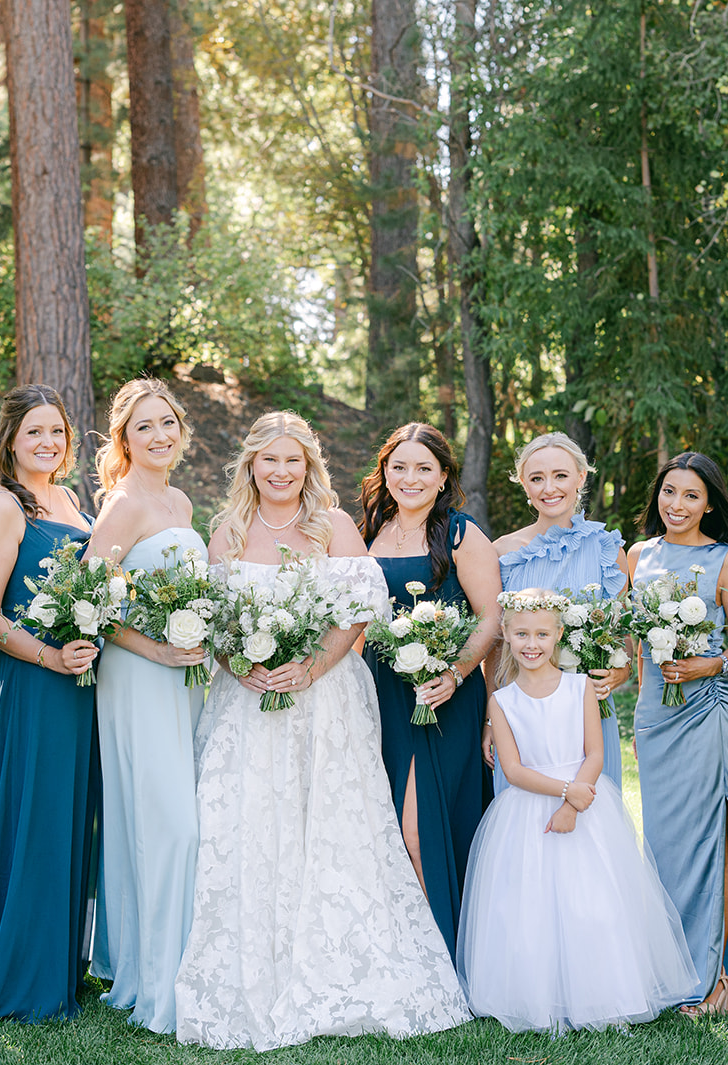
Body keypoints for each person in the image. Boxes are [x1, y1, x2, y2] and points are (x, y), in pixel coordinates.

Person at [172, 411, 471, 1051]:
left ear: (310, 467)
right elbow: (211, 619)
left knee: (330, 823)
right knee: (251, 825)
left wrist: (311, 667)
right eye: (269, 460)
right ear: (249, 464)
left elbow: (360, 612)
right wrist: (242, 663)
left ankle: (340, 966)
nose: (281, 472)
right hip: (246, 702)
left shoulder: (334, 526)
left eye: (294, 461)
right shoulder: (225, 531)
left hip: (324, 698)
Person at [456, 591, 698, 1032]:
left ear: (559, 635)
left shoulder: (579, 686)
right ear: (506, 636)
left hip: (586, 808)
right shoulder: (502, 702)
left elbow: (594, 752)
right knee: (530, 906)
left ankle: (603, 991)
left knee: (593, 903)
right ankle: (538, 994)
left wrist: (574, 801)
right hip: (531, 812)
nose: (532, 643)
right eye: (522, 634)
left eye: (542, 634)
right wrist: (568, 791)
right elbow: (513, 770)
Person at [0, 384, 101, 1024]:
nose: (47, 443)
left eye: (57, 432)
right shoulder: (1, 505)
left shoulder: (71, 501)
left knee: (75, 816)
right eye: (34, 433)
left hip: (85, 682)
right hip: (37, 680)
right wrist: (50, 657)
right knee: (36, 817)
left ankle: (65, 961)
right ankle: (23, 973)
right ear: (11, 441)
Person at [84, 380, 209, 1033]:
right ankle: (157, 978)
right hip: (137, 675)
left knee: (176, 819)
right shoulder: (124, 507)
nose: (159, 435)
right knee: (168, 825)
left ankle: (167, 959)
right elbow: (87, 601)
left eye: (168, 423)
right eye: (144, 427)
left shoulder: (181, 500)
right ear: (124, 440)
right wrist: (153, 650)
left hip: (183, 680)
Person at [625, 452, 728, 1017]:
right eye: (668, 492)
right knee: (663, 844)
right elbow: (637, 646)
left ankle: (715, 979)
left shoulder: (726, 560)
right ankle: (668, 966)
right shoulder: (638, 557)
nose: (676, 505)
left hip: (708, 710)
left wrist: (707, 665)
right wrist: (640, 713)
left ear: (709, 502)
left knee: (713, 840)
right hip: (657, 714)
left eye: (690, 495)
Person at [358, 422, 500, 959]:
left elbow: (490, 618)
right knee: (386, 825)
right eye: (399, 467)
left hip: (441, 697)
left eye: (424, 468)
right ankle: (402, 955)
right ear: (385, 472)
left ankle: (442, 954)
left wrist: (457, 673)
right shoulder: (366, 531)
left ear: (443, 477)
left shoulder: (461, 534)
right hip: (379, 695)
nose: (410, 478)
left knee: (426, 826)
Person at [492, 433, 630, 792]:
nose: (548, 488)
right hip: (523, 714)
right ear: (524, 483)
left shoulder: (607, 549)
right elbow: (494, 644)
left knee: (593, 825)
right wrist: (492, 721)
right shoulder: (503, 552)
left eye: (560, 475)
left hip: (588, 718)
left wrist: (620, 670)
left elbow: (622, 637)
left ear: (581, 477)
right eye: (536, 478)